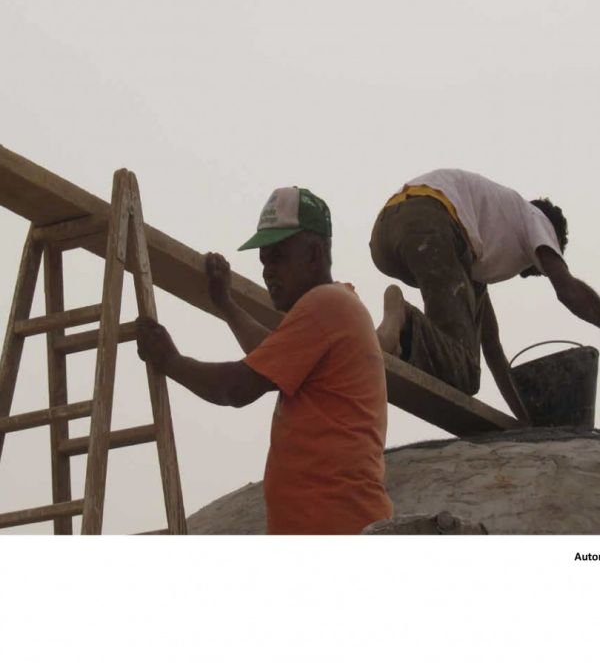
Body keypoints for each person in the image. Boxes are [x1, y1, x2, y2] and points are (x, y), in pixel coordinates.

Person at [136, 186, 393, 534]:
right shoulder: (335, 308)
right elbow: (268, 354)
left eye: (279, 258)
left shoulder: (325, 307)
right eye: (264, 261)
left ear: (315, 254)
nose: (268, 271)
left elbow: (237, 387)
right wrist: (225, 305)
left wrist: (169, 361)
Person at [369, 168, 600, 421]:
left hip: (387, 235)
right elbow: (568, 290)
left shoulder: (473, 263)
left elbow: (492, 349)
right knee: (465, 372)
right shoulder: (536, 218)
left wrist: (527, 421)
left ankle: (397, 336)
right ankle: (403, 315)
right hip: (430, 220)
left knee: (462, 365)